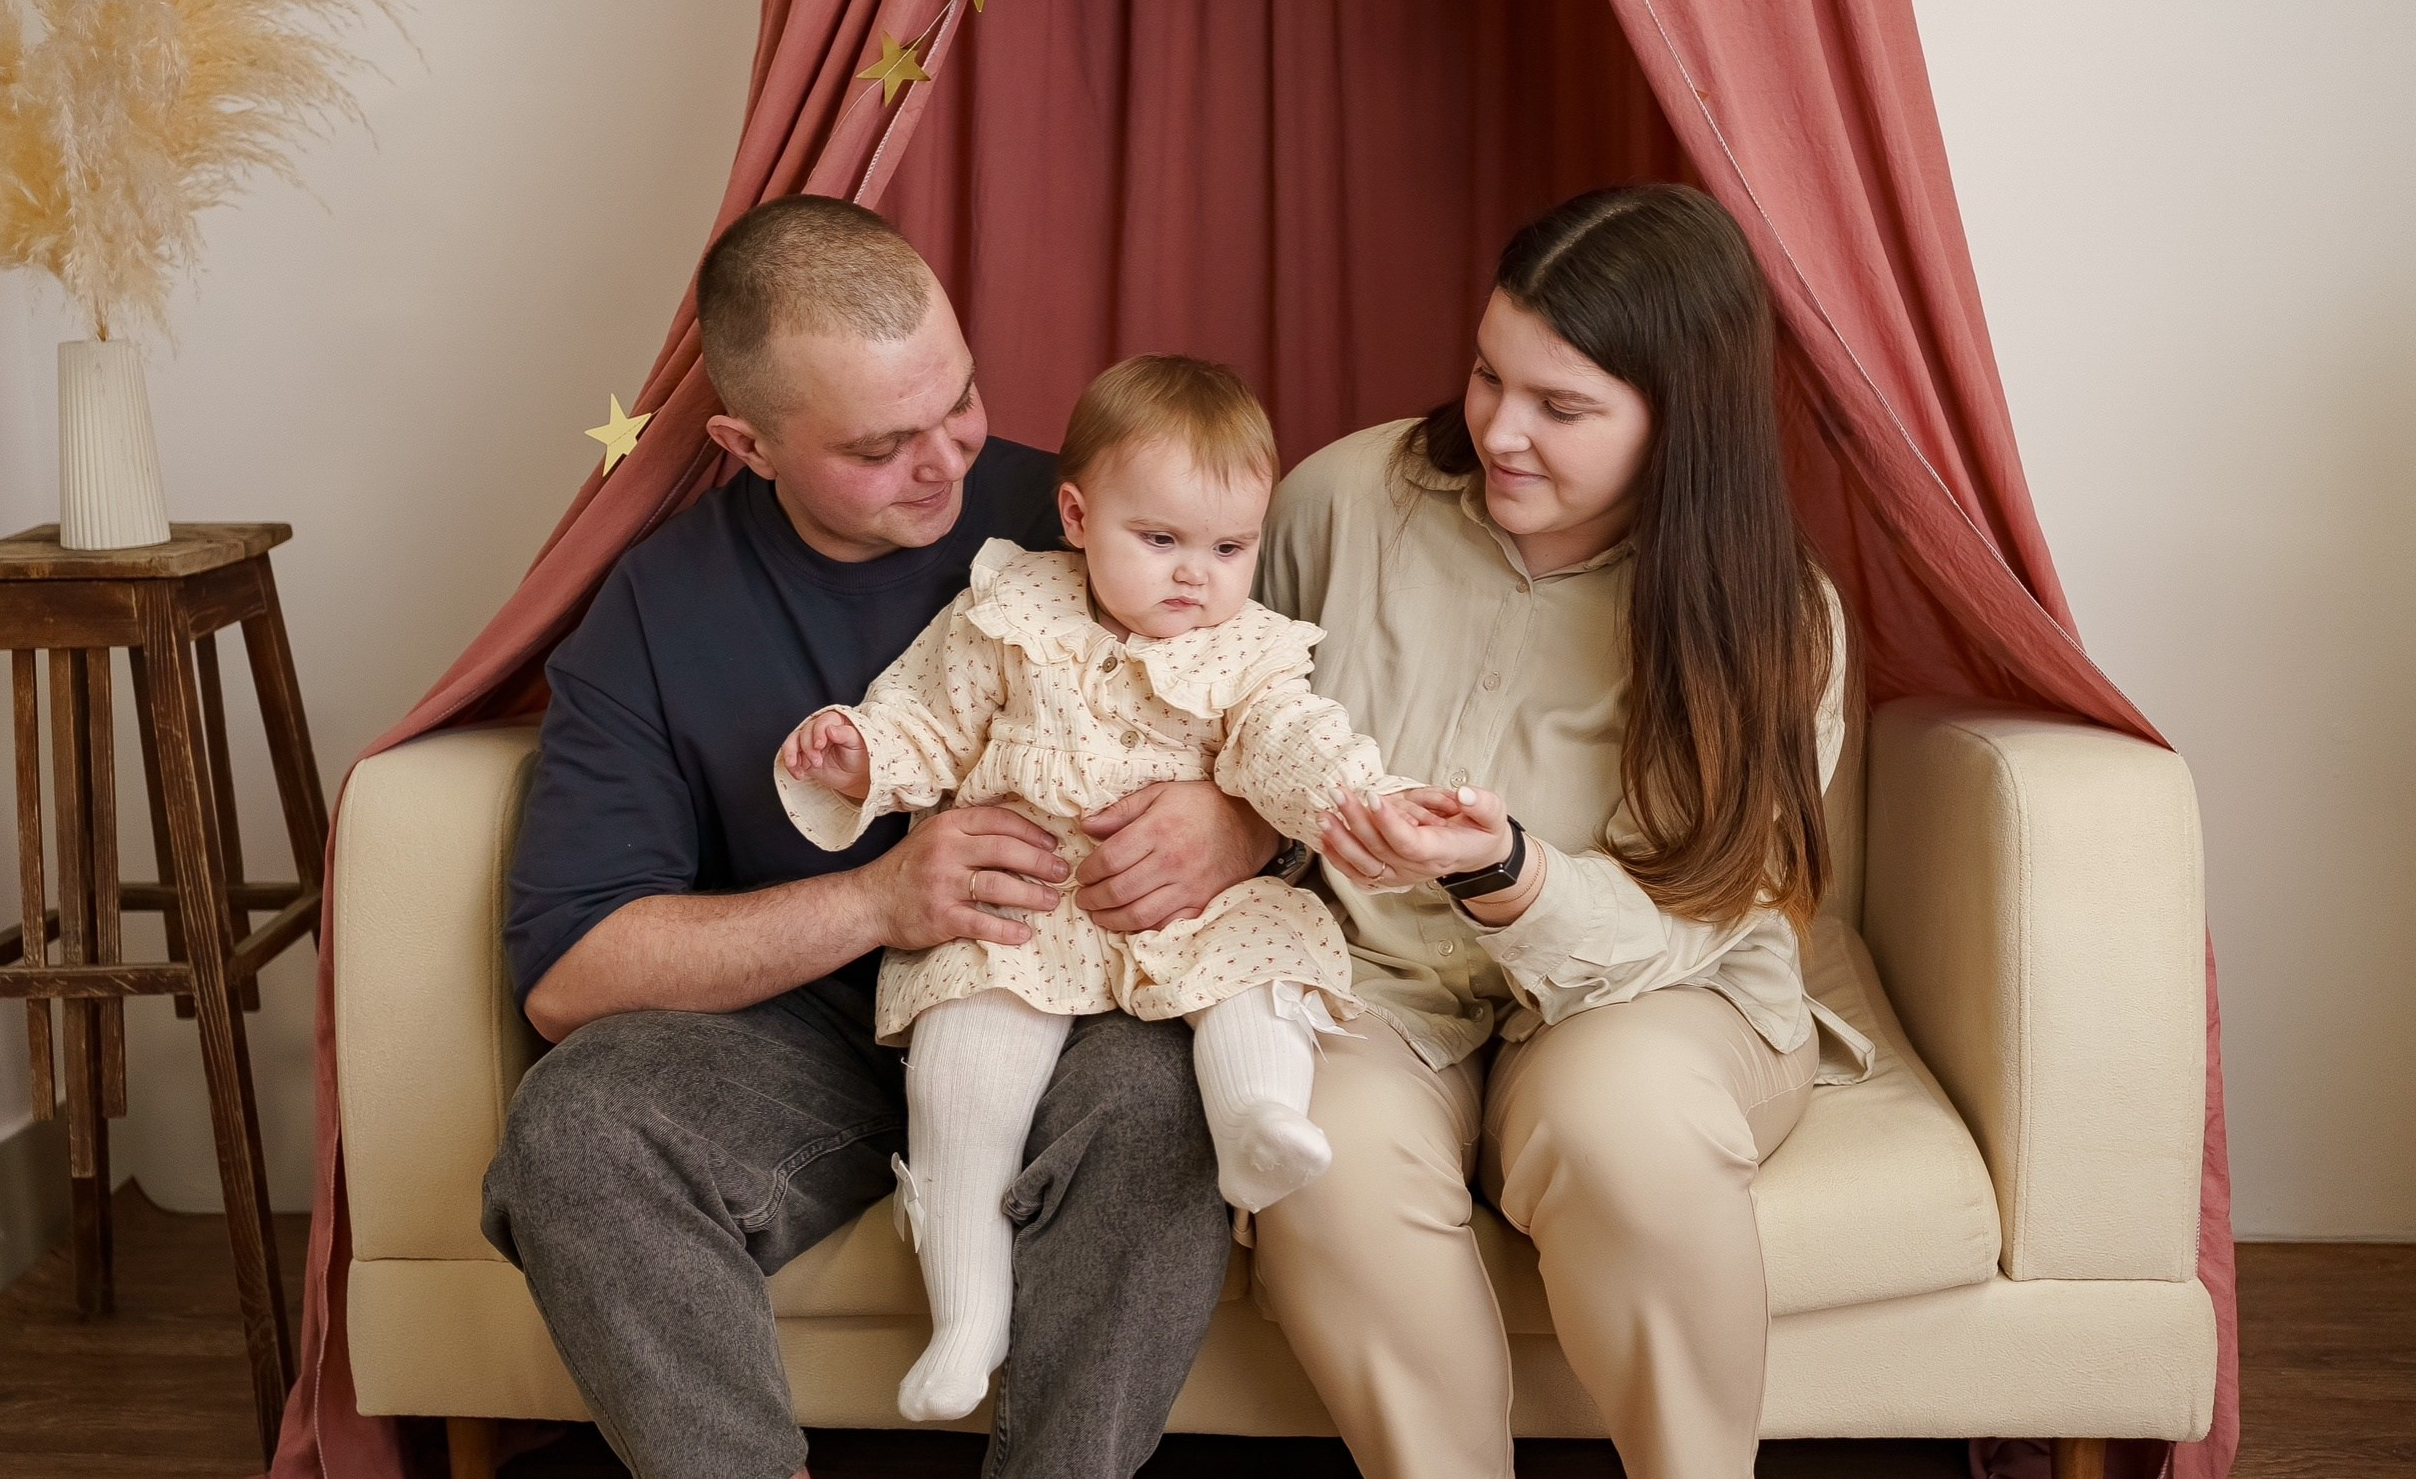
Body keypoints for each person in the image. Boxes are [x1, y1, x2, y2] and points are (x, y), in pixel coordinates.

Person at [479, 198, 1284, 1479]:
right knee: (577, 1123)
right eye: (879, 445)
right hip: (808, 1038)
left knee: (1156, 1096)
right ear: (747, 444)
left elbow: (1283, 722)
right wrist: (875, 900)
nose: (947, 462)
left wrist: (1233, 824)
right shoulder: (658, 604)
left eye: (957, 402)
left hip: (1075, 1002)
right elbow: (575, 972)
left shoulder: (1097, 509)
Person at [1247, 184, 1875, 1479]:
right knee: (1318, 1145)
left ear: (1680, 424)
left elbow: (1696, 918)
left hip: (1665, 988)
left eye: (1562, 406)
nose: (1500, 430)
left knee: (1619, 1118)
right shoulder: (1341, 502)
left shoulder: (1773, 616)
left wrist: (1511, 871)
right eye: (1488, 374)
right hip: (1371, 980)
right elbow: (1214, 711)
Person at [776, 355, 1422, 1423]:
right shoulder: (1009, 611)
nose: (1193, 576)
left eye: (1228, 547)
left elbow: (1293, 744)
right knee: (960, 1068)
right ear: (1077, 516)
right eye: (1160, 540)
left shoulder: (1247, 650)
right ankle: (967, 1314)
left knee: (1264, 962)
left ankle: (1257, 1114)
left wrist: (1366, 797)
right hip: (1022, 907)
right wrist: (860, 753)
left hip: (1190, 910)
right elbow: (929, 719)